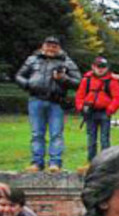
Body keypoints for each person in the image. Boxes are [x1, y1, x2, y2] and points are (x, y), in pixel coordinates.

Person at [15, 36, 81, 173]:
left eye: (54, 46)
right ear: (43, 46)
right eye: (48, 45)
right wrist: (27, 84)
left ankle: (55, 163)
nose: (51, 48)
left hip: (56, 102)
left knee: (56, 133)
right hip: (36, 100)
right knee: (36, 133)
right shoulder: (32, 59)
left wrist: (63, 78)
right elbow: (18, 76)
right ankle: (37, 163)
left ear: (59, 48)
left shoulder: (67, 62)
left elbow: (78, 82)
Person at [75, 56, 119, 167]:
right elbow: (80, 96)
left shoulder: (112, 81)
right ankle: (91, 162)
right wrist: (81, 107)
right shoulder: (86, 80)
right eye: (98, 66)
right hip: (90, 113)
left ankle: (105, 163)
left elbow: (117, 97)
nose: (100, 69)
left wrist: (110, 110)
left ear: (107, 68)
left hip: (104, 112)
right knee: (91, 139)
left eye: (103, 67)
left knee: (104, 139)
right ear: (93, 67)